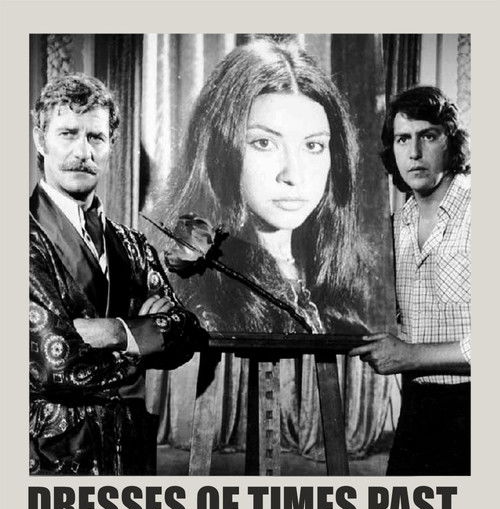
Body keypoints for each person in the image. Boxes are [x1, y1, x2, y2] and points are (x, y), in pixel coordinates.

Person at [30, 73, 201, 475]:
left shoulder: (131, 243)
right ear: (41, 140)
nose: (82, 151)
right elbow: (50, 364)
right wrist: (141, 339)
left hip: (129, 453)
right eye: (68, 134)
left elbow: (187, 333)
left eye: (96, 137)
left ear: (111, 146)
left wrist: (112, 332)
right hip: (51, 458)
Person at [157, 37, 371, 335]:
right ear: (220, 150)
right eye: (264, 143)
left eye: (313, 145)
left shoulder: (345, 276)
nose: (293, 175)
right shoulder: (192, 287)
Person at [350, 85, 471, 475]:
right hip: (418, 408)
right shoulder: (395, 226)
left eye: (428, 136)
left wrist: (412, 355)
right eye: (403, 139)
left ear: (451, 142)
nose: (414, 152)